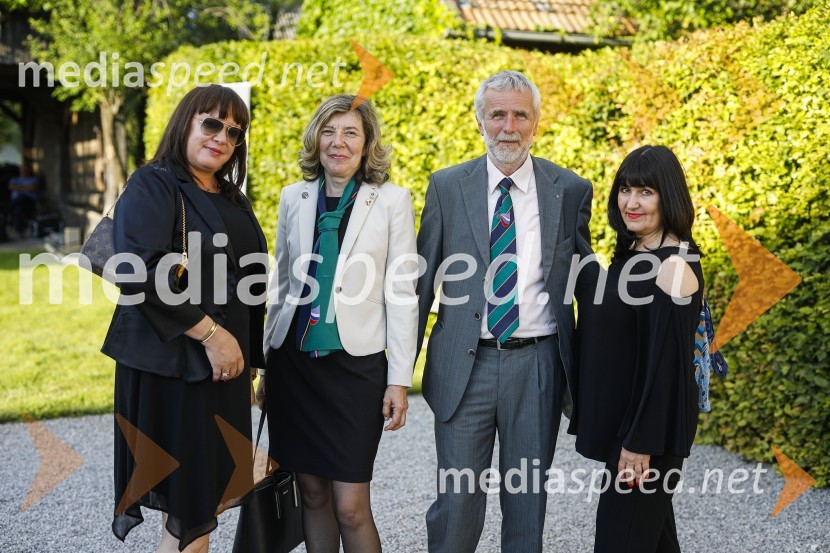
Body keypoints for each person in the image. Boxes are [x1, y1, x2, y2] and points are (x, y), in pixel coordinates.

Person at [415, 70, 594, 553]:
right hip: (463, 366)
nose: (509, 127)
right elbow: (421, 285)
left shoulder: (570, 189)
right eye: (498, 114)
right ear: (480, 121)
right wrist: (393, 376)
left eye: (520, 115)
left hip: (537, 367)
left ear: (536, 121)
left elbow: (587, 282)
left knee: (527, 506)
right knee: (456, 504)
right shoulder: (446, 186)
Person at [100, 84, 267, 553]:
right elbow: (137, 271)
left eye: (234, 132)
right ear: (185, 122)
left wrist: (249, 361)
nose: (222, 137)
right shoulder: (155, 182)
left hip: (224, 368)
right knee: (193, 506)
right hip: (173, 366)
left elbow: (250, 283)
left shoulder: (231, 196)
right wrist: (213, 336)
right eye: (212, 123)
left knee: (202, 502)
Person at [258, 94, 418, 553]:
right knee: (312, 495)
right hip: (295, 366)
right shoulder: (294, 196)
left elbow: (402, 294)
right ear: (316, 139)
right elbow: (282, 285)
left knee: (350, 506)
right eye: (328, 131)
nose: (338, 142)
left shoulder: (392, 201)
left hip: (356, 370)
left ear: (367, 143)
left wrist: (399, 380)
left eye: (350, 132)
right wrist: (267, 366)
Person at [569, 145, 703, 553]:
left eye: (646, 191)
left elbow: (667, 366)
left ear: (668, 197)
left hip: (647, 437)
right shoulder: (634, 254)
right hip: (629, 427)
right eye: (625, 190)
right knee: (654, 540)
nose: (631, 202)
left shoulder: (673, 265)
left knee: (619, 539)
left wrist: (639, 442)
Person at [7, 162, 39, 236]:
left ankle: (9, 211)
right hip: (17, 202)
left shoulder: (33, 179)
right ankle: (20, 231)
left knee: (22, 197)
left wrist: (18, 188)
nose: (24, 171)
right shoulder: (15, 179)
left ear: (29, 171)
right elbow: (11, 187)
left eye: (26, 170)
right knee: (19, 209)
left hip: (29, 201)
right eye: (22, 169)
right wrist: (26, 188)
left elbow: (32, 188)